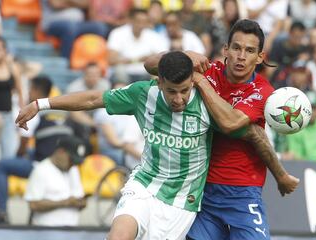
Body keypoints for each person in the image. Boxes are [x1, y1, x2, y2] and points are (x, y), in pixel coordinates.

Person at [16, 51, 297, 239]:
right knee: (118, 235)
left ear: (193, 83)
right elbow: (93, 99)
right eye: (171, 91)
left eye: (184, 90)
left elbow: (253, 135)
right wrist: (41, 104)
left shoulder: (209, 105)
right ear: (159, 82)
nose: (178, 99)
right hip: (145, 187)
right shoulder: (142, 94)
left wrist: (279, 173)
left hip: (182, 204)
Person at [145, 19, 300, 240]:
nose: (241, 56)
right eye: (236, 48)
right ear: (225, 49)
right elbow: (150, 65)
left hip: (243, 192)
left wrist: (199, 80)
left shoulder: (262, 91)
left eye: (249, 51)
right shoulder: (210, 70)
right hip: (202, 190)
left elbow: (230, 122)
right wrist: (185, 56)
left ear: (260, 57)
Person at [0, 76, 73, 224]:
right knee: (32, 152)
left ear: (36, 91)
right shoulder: (62, 110)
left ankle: (2, 212)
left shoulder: (35, 110)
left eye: (30, 89)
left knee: (3, 165)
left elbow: (24, 142)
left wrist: (20, 155)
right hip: (64, 162)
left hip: (42, 164)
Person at [25, 135, 87, 226]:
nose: (73, 164)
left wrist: (81, 203)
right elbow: (34, 205)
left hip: (71, 231)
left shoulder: (73, 170)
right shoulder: (41, 170)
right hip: (46, 232)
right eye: (71, 160)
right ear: (61, 152)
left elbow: (78, 196)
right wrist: (65, 203)